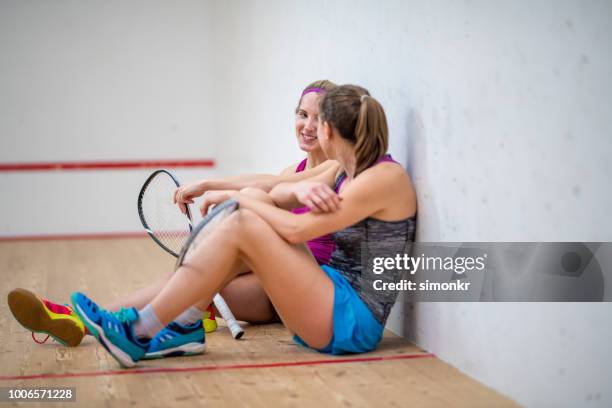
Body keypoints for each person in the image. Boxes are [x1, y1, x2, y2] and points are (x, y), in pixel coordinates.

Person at [71, 84, 418, 367]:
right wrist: (256, 191)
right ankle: (183, 323)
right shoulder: (343, 168)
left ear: (327, 130)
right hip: (330, 293)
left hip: (350, 322)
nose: (311, 127)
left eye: (317, 121)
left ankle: (141, 331)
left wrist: (242, 200)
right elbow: (276, 191)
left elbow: (297, 231)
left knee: (244, 220)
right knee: (248, 211)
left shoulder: (381, 179)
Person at [7, 80, 339, 356]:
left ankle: (158, 320)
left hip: (304, 287)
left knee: (210, 257)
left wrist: (213, 186)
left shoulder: (336, 166)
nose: (307, 126)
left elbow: (271, 186)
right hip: (267, 282)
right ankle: (86, 322)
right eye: (301, 114)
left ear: (333, 126)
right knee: (191, 277)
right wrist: (211, 187)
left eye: (318, 118)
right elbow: (268, 180)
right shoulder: (292, 169)